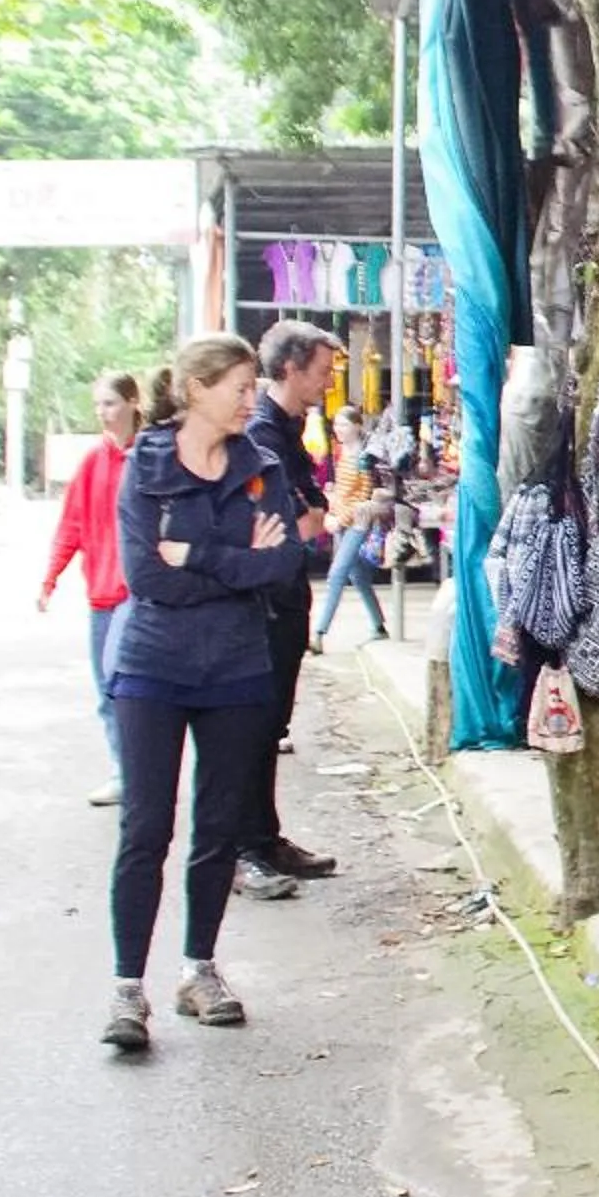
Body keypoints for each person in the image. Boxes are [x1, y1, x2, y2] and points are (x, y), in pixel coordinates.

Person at [100, 334, 306, 1050]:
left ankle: (200, 968)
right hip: (152, 666)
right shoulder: (146, 468)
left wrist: (201, 555)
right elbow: (146, 577)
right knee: (146, 827)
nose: (252, 400)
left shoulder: (262, 467)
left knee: (217, 829)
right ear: (194, 389)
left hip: (238, 667)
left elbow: (283, 568)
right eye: (240, 388)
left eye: (255, 388)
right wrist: (239, 561)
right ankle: (128, 989)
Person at [239, 318, 345, 895]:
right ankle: (243, 846)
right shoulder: (261, 435)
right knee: (252, 729)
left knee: (271, 725)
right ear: (290, 368)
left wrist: (310, 510)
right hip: (265, 603)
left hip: (286, 597)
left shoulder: (287, 430)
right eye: (323, 372)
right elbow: (296, 522)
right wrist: (308, 512)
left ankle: (264, 835)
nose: (328, 383)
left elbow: (315, 509)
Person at [42, 372, 142, 807]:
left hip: (141, 593)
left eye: (110, 403)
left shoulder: (151, 456)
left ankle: (142, 773)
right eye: (98, 405)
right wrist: (51, 577)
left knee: (138, 691)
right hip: (102, 592)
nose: (102, 413)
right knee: (107, 691)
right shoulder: (92, 463)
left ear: (133, 402)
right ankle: (126, 772)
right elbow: (73, 525)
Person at [312, 407, 392, 652]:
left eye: (344, 425)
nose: (338, 430)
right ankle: (378, 626)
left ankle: (319, 632)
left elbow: (364, 495)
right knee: (357, 576)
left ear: (358, 426)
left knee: (337, 574)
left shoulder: (364, 456)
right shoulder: (341, 452)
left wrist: (340, 517)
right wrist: (332, 509)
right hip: (341, 521)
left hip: (358, 522)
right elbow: (343, 490)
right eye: (336, 425)